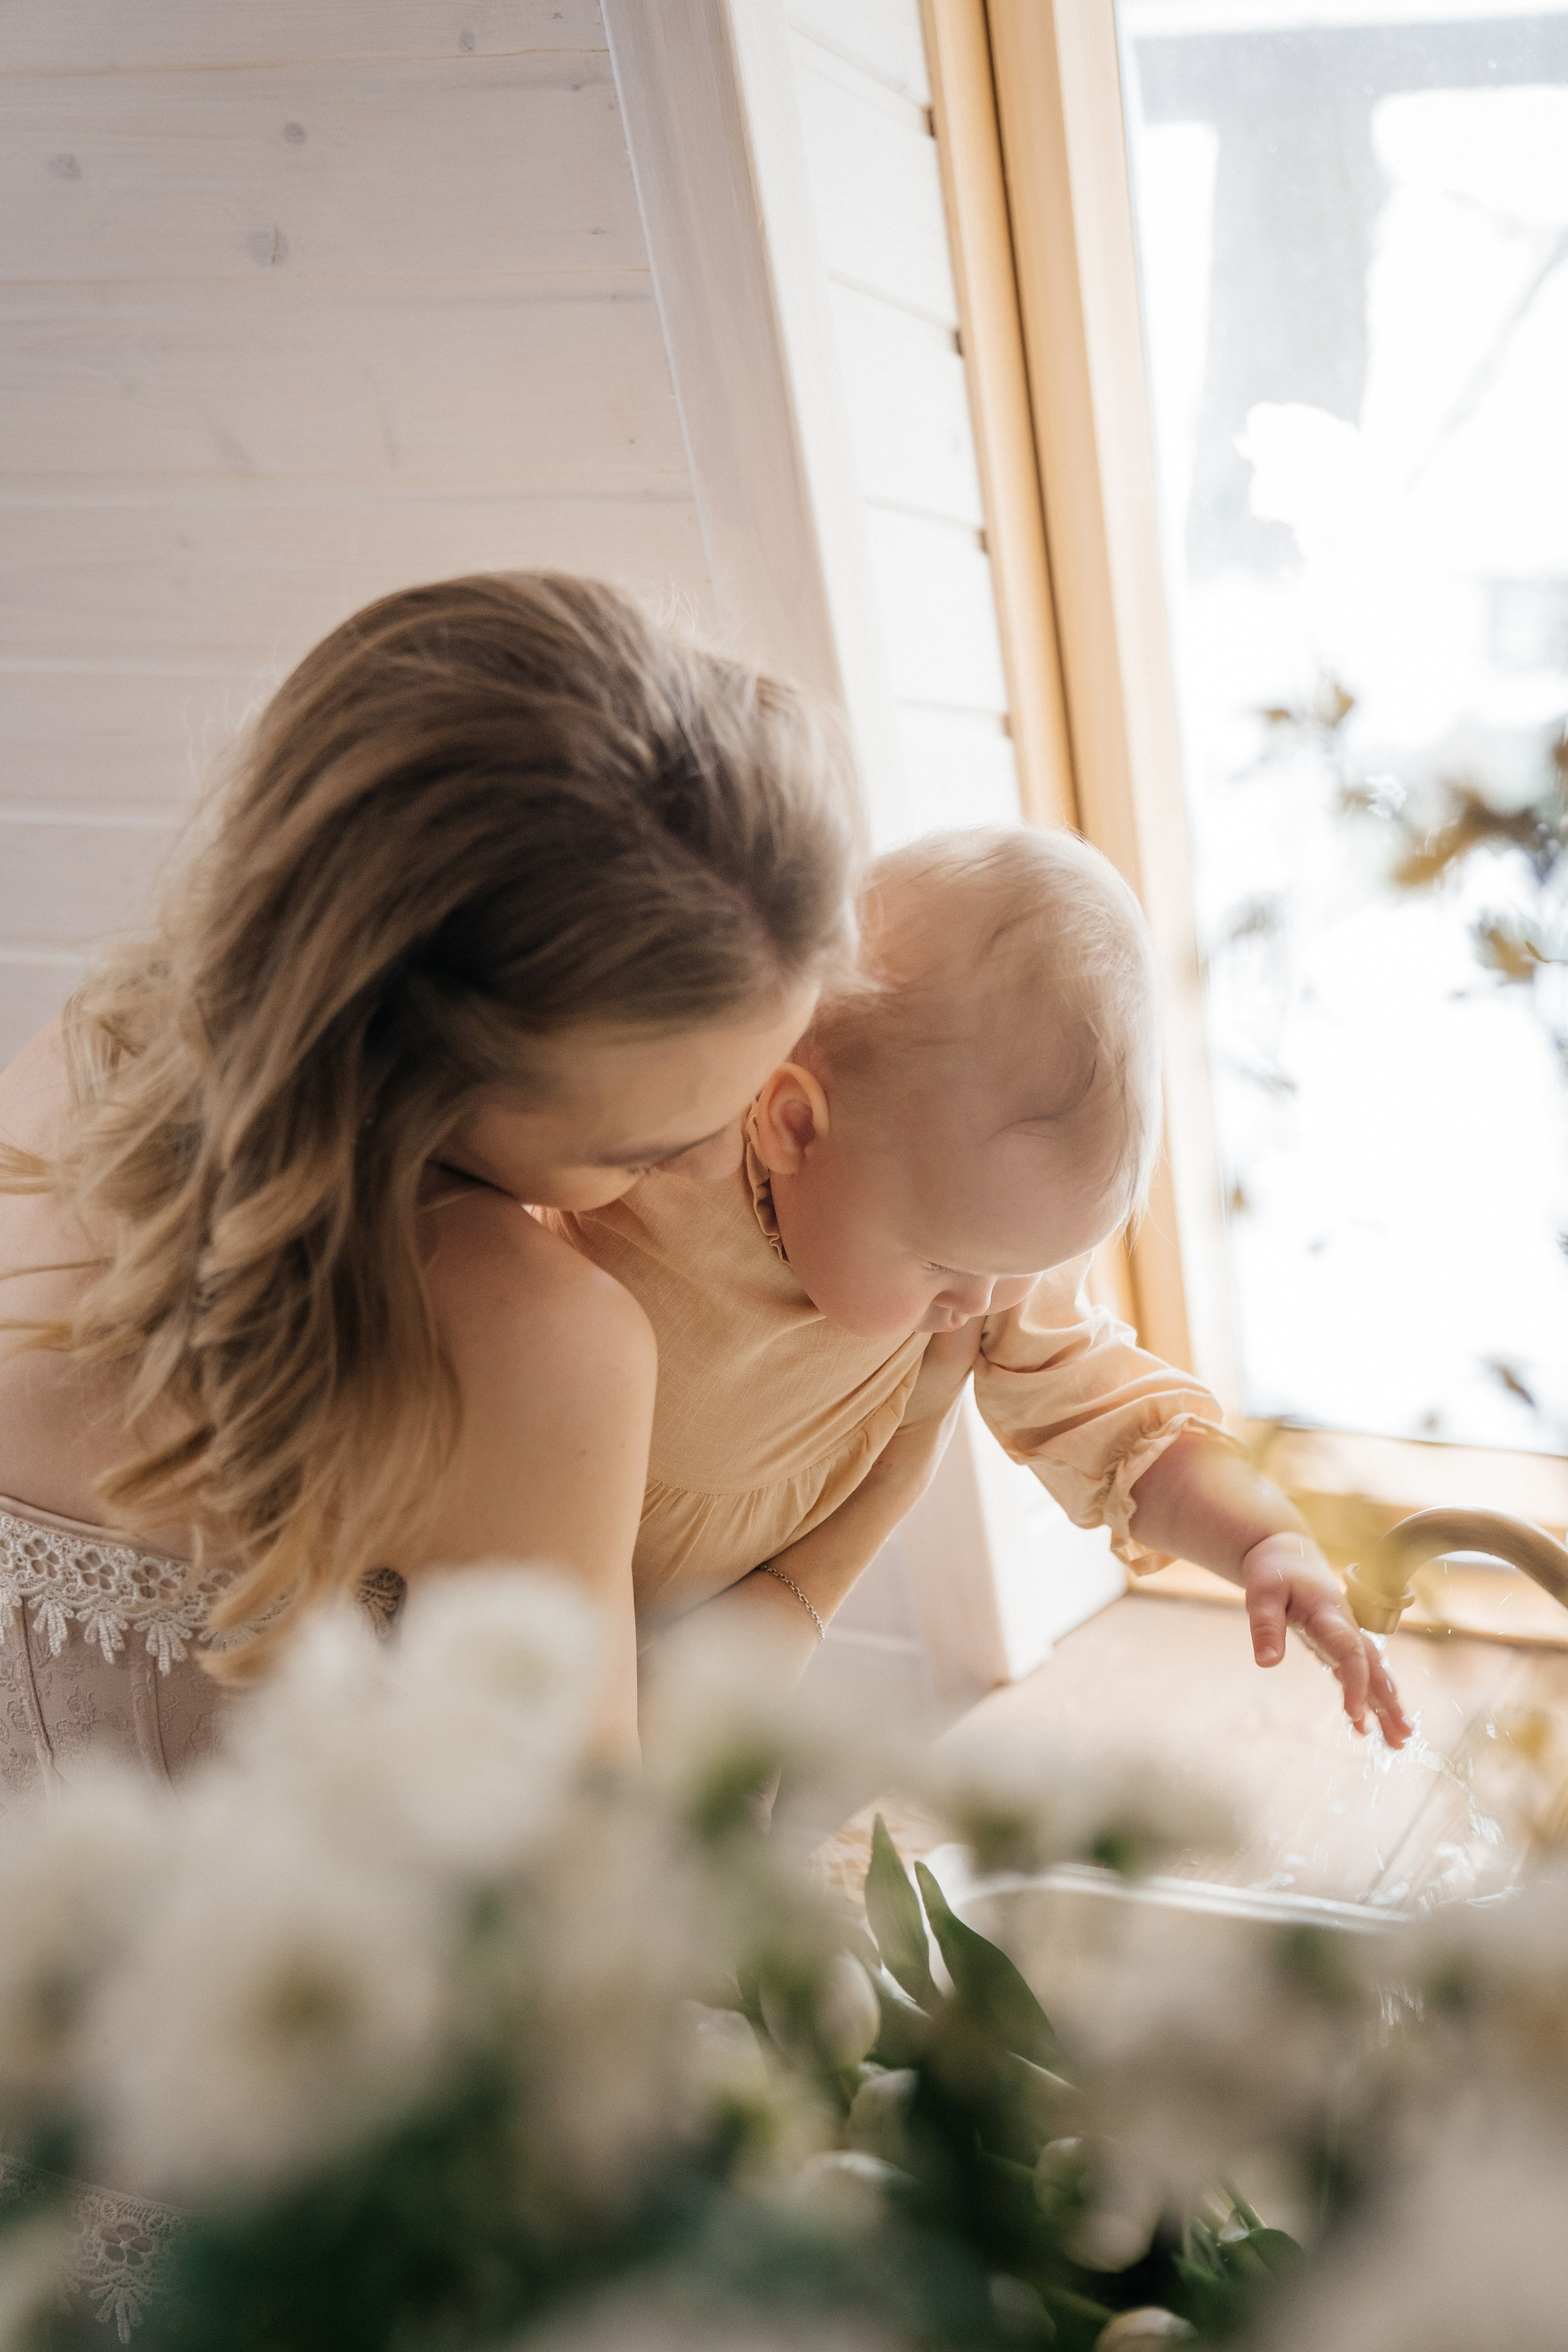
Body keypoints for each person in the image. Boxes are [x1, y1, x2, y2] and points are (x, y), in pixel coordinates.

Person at [0, 571, 862, 1801]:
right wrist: (833, 1554)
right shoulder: (529, 1338)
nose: (720, 1166)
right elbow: (581, 1880)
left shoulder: (72, 1061)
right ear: (415, 1068)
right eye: (641, 1149)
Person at [549, 827, 1411, 1747]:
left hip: (702, 1627)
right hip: (505, 1548)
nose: (982, 1304)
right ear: (794, 1128)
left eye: (1021, 1269)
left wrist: (1265, 1538)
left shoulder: (978, 1262)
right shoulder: (672, 1148)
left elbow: (1122, 1427)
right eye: (941, 1263)